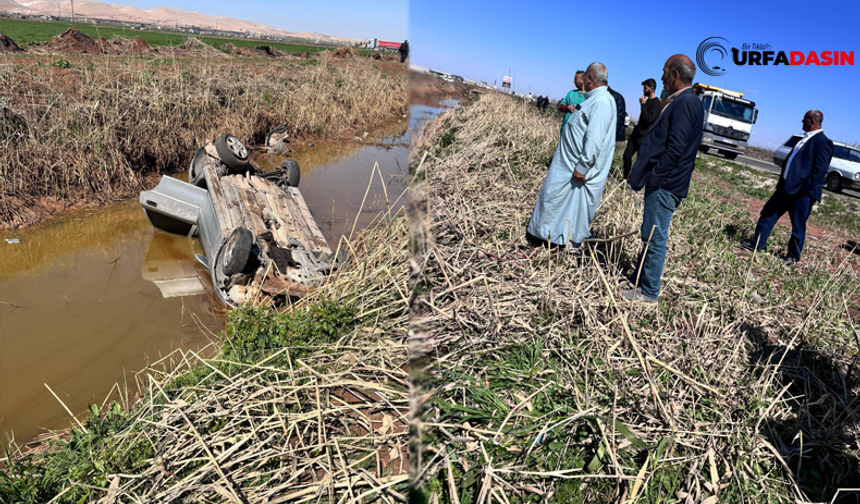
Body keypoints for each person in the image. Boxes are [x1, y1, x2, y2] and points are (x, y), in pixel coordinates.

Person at [624, 55, 705, 303]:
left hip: (665, 183)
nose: (661, 78)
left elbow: (676, 148)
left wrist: (655, 178)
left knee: (654, 236)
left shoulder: (685, 103)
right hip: (665, 181)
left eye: (664, 72)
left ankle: (648, 291)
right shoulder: (684, 101)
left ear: (675, 76)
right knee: (650, 233)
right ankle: (639, 279)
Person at [526, 63, 617, 250]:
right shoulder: (593, 100)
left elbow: (595, 139)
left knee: (570, 209)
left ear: (590, 79)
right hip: (567, 165)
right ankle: (545, 237)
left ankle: (559, 243)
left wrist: (582, 167)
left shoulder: (602, 102)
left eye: (584, 78)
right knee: (555, 201)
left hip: (577, 169)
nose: (582, 82)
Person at [740, 110, 833, 264]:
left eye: (804, 120)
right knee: (768, 214)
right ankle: (757, 243)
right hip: (785, 188)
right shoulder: (803, 139)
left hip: (801, 193)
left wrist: (804, 191)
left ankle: (792, 257)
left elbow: (819, 172)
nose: (801, 122)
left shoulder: (823, 142)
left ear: (812, 122)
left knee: (798, 226)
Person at [622, 78, 662, 179]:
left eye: (645, 88)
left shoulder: (656, 104)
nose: (643, 90)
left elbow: (648, 119)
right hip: (635, 135)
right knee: (626, 156)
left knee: (639, 162)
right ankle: (625, 178)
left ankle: (634, 182)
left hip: (644, 137)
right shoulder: (647, 101)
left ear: (652, 89)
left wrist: (643, 105)